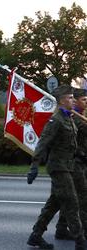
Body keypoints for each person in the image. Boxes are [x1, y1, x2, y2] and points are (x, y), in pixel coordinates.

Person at [26, 85, 86, 250]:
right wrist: (34, 166)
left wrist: (80, 154)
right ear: (61, 101)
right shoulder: (56, 120)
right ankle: (81, 242)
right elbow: (43, 143)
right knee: (72, 202)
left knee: (54, 203)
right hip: (58, 168)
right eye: (70, 98)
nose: (73, 100)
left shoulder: (69, 118)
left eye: (73, 97)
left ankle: (35, 235)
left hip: (69, 166)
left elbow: (71, 145)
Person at [54, 88, 87, 240]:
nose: (86, 102)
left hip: (79, 162)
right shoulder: (74, 118)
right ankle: (81, 232)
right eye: (83, 99)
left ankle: (61, 228)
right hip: (74, 163)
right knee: (79, 197)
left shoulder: (80, 116)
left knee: (66, 198)